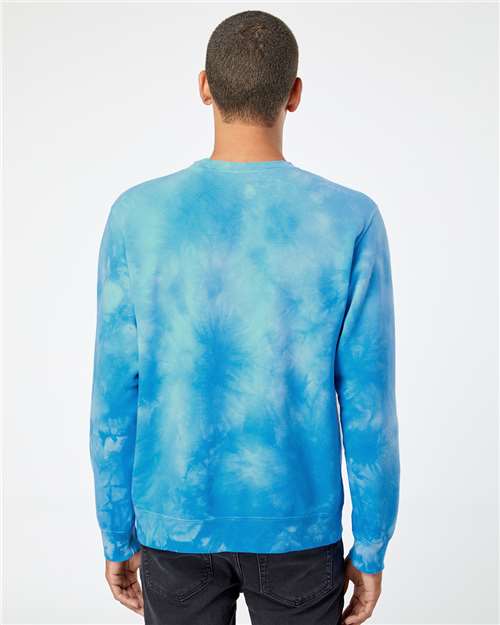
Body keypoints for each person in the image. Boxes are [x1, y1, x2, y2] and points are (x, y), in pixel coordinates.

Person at [89, 9, 400, 625]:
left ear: (204, 86)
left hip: (175, 524)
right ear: (295, 93)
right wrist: (371, 546)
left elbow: (114, 397)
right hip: (297, 527)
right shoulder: (349, 219)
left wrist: (116, 533)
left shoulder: (137, 216)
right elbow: (369, 405)